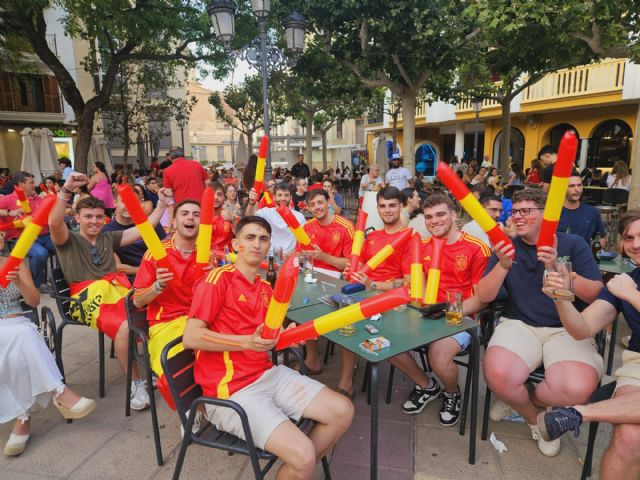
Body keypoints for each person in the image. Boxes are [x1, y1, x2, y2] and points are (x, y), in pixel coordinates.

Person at [182, 216, 354, 479]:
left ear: (269, 245)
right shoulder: (218, 279)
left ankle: (298, 468)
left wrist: (285, 336)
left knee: (343, 411)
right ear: (235, 243)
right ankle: (300, 464)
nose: (256, 244)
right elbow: (191, 337)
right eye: (249, 238)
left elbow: (267, 332)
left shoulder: (264, 287)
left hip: (266, 374)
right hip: (231, 393)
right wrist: (246, 342)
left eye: (263, 239)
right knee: (303, 454)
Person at [477, 188, 604, 456]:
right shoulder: (506, 246)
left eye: (526, 211)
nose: (518, 217)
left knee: (577, 388)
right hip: (519, 323)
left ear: (547, 216)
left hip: (567, 327)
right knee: (497, 374)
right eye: (516, 212)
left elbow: (594, 293)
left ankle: (519, 400)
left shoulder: (573, 244)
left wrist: (557, 264)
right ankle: (537, 420)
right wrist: (502, 265)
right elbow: (484, 296)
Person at [49, 172, 170, 411]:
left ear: (105, 218)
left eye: (98, 216)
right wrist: (66, 190)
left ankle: (157, 369)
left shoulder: (108, 237)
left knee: (159, 308)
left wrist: (163, 204)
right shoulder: (67, 240)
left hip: (116, 290)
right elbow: (54, 222)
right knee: (126, 325)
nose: (94, 221)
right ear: (77, 218)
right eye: (88, 217)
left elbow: (145, 229)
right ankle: (135, 383)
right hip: (87, 299)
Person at [536, 210, 640, 479]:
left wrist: (632, 296)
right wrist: (560, 296)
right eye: (630, 237)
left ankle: (577, 414)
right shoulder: (624, 282)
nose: (636, 244)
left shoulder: (626, 287)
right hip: (638, 363)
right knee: (630, 437)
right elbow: (581, 329)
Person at [390, 193, 490, 426]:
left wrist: (449, 313)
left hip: (462, 315)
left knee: (438, 356)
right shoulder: (423, 246)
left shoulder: (477, 248)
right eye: (429, 217)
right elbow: (421, 291)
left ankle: (452, 392)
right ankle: (426, 385)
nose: (434, 221)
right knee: (386, 341)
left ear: (454, 215)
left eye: (440, 214)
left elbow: (481, 299)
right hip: (430, 312)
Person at [0, 231, 96, 457]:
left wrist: (18, 281)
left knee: (22, 335)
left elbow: (33, 301)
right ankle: (58, 392)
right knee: (20, 340)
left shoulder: (16, 263)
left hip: (16, 322)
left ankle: (24, 418)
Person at [133, 200, 204, 404]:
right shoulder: (156, 254)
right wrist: (158, 285)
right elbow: (137, 301)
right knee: (176, 365)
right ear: (174, 222)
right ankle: (192, 412)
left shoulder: (208, 255)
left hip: (201, 319)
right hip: (166, 323)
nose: (190, 217)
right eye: (184, 213)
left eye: (196, 214)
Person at [345, 187, 412, 397]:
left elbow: (408, 283)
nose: (387, 210)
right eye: (382, 206)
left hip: (395, 303)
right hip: (365, 295)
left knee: (361, 328)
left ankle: (425, 383)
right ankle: (345, 382)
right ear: (378, 208)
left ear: (401, 206)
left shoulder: (409, 238)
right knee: (343, 322)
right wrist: (351, 269)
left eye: (392, 205)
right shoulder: (372, 236)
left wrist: (373, 284)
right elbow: (361, 264)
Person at [302, 189, 354, 373]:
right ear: (308, 208)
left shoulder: (345, 226)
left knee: (345, 321)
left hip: (339, 282)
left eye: (320, 202)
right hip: (312, 280)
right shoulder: (306, 227)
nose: (317, 207)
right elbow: (301, 256)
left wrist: (323, 256)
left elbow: (350, 263)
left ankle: (347, 374)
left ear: (328, 202)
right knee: (298, 310)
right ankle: (312, 359)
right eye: (313, 204)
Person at [0, 172, 57, 288]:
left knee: (64, 245)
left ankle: (58, 278)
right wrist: (10, 212)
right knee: (41, 253)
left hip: (43, 235)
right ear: (21, 184)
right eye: (31, 182)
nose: (34, 185)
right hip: (20, 239)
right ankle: (36, 285)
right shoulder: (8, 199)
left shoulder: (36, 198)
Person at [103, 189, 167, 281]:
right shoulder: (106, 231)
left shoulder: (153, 224)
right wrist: (147, 271)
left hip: (159, 276)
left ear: (140, 204)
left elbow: (166, 251)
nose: (128, 206)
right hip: (129, 281)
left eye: (133, 202)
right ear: (114, 203)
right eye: (124, 201)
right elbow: (116, 267)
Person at [246, 183, 306, 255]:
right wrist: (251, 202)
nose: (283, 198)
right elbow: (248, 219)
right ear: (274, 197)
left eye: (286, 195)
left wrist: (291, 255)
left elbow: (303, 242)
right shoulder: (266, 212)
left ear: (291, 197)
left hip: (290, 258)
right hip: (269, 257)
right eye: (280, 195)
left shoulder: (299, 217)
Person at [558, 173, 607, 248]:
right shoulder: (553, 212)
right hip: (558, 257)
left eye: (579, 185)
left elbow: (602, 237)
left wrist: (595, 253)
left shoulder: (592, 212)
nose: (576, 189)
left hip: (584, 257)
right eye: (572, 186)